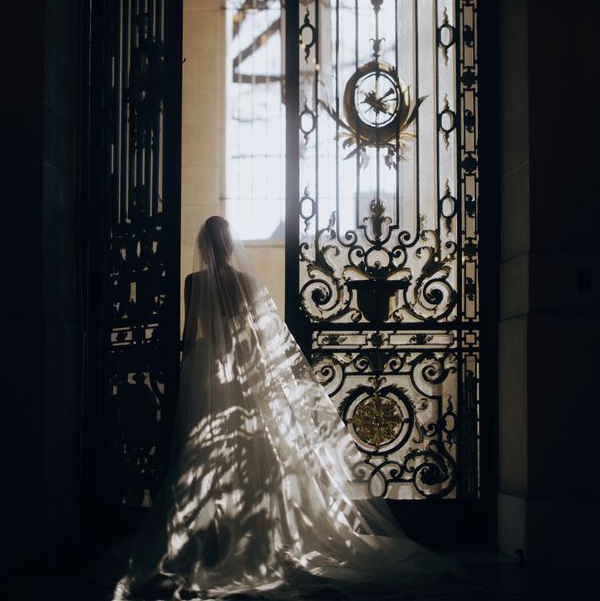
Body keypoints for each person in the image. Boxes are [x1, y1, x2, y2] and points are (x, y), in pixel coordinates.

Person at [112, 216, 464, 599]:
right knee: (256, 451)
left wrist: (186, 365)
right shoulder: (245, 282)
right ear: (229, 247)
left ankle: (209, 533)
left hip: (207, 367)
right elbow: (258, 333)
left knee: (202, 451)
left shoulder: (193, 282)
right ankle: (256, 529)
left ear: (203, 247)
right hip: (244, 367)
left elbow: (191, 332)